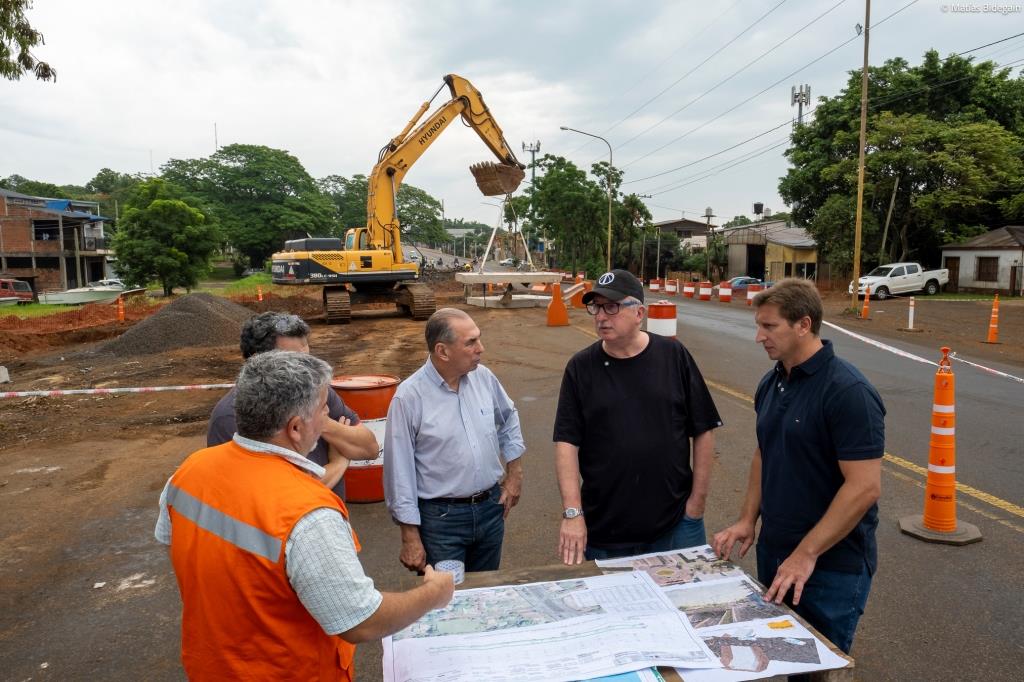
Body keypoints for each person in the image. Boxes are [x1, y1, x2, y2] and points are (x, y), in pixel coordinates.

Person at [155, 351, 453, 680]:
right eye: (323, 409)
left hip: (211, 669)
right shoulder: (307, 513)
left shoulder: (190, 471)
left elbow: (178, 548)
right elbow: (360, 620)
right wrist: (432, 594)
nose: (328, 414)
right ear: (296, 428)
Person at [712, 278, 884, 654]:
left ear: (803, 325)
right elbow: (765, 453)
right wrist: (746, 520)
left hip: (830, 566)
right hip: (776, 553)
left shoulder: (848, 391)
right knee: (783, 655)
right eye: (759, 325)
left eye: (769, 326)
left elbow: (864, 487)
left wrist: (806, 553)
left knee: (820, 665)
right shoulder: (772, 383)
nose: (759, 336)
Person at [554, 269, 722, 564]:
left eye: (612, 306)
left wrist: (697, 504)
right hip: (604, 531)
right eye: (596, 307)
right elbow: (567, 443)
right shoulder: (581, 368)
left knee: (686, 606)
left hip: (676, 527)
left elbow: (703, 429)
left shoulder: (673, 356)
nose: (601, 316)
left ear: (639, 313)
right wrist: (572, 514)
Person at [383, 308, 525, 573]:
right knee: (446, 602)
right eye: (470, 342)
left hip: (490, 510)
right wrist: (409, 535)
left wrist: (514, 473)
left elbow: (508, 417)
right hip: (441, 523)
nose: (481, 348)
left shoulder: (484, 378)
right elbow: (398, 473)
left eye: (478, 339)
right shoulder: (409, 397)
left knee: (487, 593)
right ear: (443, 351)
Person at [207, 312, 378, 499]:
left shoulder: (316, 391)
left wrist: (323, 422)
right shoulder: (231, 418)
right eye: (295, 363)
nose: (307, 373)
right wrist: (339, 462)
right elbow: (279, 497)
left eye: (308, 360)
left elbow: (369, 448)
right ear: (257, 361)